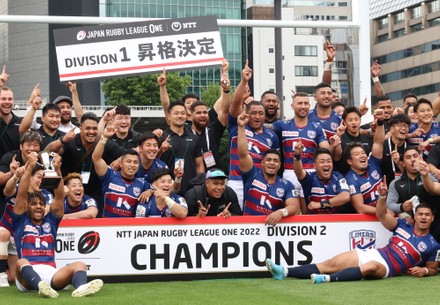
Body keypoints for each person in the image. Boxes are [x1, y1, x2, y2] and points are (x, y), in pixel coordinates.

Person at [266, 178, 440, 283]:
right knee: (330, 263)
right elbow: (381, 214)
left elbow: (433, 268)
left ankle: (326, 279)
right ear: (415, 216)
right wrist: (382, 197)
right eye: (420, 214)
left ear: (432, 218)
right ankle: (284, 271)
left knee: (370, 267)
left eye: (427, 215)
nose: (423, 218)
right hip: (373, 253)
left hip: (387, 268)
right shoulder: (403, 225)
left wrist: (425, 271)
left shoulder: (433, 244)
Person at [12, 153, 103, 298]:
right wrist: (29, 168)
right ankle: (40, 288)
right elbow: (21, 196)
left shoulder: (51, 222)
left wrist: (57, 170)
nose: (38, 207)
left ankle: (81, 288)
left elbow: (59, 197)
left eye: (41, 204)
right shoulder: (20, 222)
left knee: (80, 265)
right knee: (21, 261)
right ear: (26, 207)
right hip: (27, 275)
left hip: (51, 273)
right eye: (34, 204)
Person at [237, 111, 300, 225]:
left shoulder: (286, 185)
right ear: (262, 163)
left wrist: (281, 212)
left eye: (276, 161)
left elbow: (295, 207)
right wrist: (241, 127)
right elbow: (243, 153)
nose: (272, 163)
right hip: (249, 228)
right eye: (268, 160)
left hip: (272, 231)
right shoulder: (252, 175)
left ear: (280, 165)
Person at [92, 122, 151, 217]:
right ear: (121, 164)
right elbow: (96, 158)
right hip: (106, 228)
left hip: (127, 230)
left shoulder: (142, 184)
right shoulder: (110, 175)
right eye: (128, 161)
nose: (132, 165)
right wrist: (104, 137)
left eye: (135, 162)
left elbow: (157, 190)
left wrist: (150, 191)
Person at [345, 109, 393, 216]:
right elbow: (360, 208)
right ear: (349, 161)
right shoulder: (350, 180)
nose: (362, 156)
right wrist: (383, 212)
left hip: (387, 210)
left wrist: (380, 122)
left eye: (363, 153)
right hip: (371, 220)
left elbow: (378, 143)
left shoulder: (372, 163)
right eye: (357, 154)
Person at [159, 101, 205, 195]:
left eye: (182, 113)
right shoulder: (161, 137)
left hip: (190, 189)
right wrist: (160, 150)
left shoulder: (194, 138)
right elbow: (154, 162)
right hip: (166, 189)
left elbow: (199, 164)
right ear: (169, 116)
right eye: (176, 113)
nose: (180, 116)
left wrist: (200, 184)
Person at [387, 148, 440, 224]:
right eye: (408, 157)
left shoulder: (431, 176)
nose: (413, 159)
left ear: (420, 158)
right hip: (410, 226)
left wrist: (425, 175)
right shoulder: (395, 183)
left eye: (415, 156)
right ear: (403, 164)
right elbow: (389, 205)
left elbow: (432, 189)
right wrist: (402, 207)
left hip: (435, 224)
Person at [293, 145, 350, 214]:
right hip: (314, 222)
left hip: (335, 221)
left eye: (329, 161)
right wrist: (297, 156)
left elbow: (346, 196)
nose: (326, 164)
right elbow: (299, 172)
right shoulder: (311, 178)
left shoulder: (337, 176)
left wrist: (321, 204)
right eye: (322, 162)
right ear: (315, 166)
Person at [381, 114, 410, 185]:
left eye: (406, 126)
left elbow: (412, 173)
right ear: (391, 129)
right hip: (384, 187)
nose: (403, 128)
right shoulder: (382, 146)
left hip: (405, 187)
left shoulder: (410, 148)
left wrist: (399, 163)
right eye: (400, 125)